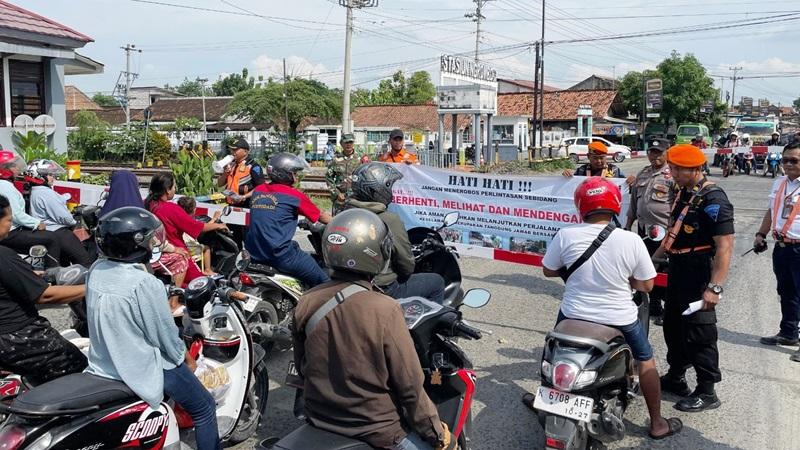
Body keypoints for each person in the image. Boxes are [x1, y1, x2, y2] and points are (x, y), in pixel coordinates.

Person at [293, 208, 455, 450]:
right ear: (377, 253)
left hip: (319, 419)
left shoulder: (307, 300)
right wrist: (436, 433)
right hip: (378, 431)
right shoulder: (385, 309)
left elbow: (302, 365)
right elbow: (410, 385)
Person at [536, 177, 682, 440]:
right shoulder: (631, 240)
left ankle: (550, 394)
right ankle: (657, 423)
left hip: (572, 314)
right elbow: (647, 286)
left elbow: (548, 269)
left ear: (581, 205)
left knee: (553, 352)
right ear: (614, 204)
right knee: (646, 361)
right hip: (619, 318)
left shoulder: (565, 235)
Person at [86, 207, 220, 450]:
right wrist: (186, 358)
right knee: (204, 408)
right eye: (150, 240)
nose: (154, 244)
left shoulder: (96, 270)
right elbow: (164, 335)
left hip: (102, 362)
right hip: (140, 367)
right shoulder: (145, 283)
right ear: (135, 244)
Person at [652, 144, 734, 412]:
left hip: (699, 270)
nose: (672, 172)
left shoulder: (714, 199)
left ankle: (707, 390)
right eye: (672, 167)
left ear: (695, 169)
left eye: (677, 169)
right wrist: (651, 262)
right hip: (677, 266)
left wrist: (714, 288)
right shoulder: (683, 191)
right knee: (673, 326)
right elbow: (672, 233)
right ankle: (676, 377)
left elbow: (724, 247)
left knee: (700, 331)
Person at [0, 194, 87, 385]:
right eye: (9, 220)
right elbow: (45, 296)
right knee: (78, 366)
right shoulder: (4, 255)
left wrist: (32, 275)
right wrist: (91, 288)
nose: (10, 225)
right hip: (17, 336)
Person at [344, 162, 446, 304]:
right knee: (437, 282)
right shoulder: (388, 219)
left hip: (347, 284)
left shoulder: (344, 213)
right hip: (382, 288)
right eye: (389, 186)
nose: (391, 190)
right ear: (377, 189)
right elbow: (406, 266)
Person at [245, 152, 332, 287]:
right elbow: (321, 217)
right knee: (324, 282)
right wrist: (340, 222)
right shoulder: (293, 195)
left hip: (253, 252)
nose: (296, 177)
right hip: (280, 254)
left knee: (295, 246)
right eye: (294, 173)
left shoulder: (258, 191)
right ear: (284, 174)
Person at [754, 142, 800, 360]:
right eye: (785, 160)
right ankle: (789, 333)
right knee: (786, 292)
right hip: (782, 247)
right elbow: (771, 211)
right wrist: (760, 235)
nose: (789, 164)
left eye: (794, 160)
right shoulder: (779, 183)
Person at [145, 173, 228, 289]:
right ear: (167, 190)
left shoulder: (148, 204)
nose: (175, 189)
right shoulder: (170, 208)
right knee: (202, 285)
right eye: (174, 187)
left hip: (155, 254)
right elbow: (196, 226)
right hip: (174, 250)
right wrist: (217, 225)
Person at [625, 139, 675, 326]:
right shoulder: (643, 173)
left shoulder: (673, 175)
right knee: (646, 267)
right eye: (652, 152)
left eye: (659, 152)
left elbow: (679, 205)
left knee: (665, 269)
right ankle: (653, 304)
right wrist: (628, 224)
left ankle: (668, 308)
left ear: (667, 153)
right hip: (644, 231)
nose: (654, 156)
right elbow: (633, 203)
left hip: (666, 232)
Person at [26, 159, 93, 268]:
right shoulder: (46, 193)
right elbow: (65, 217)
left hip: (47, 232)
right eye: (50, 175)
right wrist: (73, 221)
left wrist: (64, 197)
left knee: (63, 264)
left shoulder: (36, 191)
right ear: (40, 177)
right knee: (84, 261)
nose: (53, 177)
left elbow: (51, 203)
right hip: (59, 232)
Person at [0, 151, 62, 267]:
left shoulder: (3, 185)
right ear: (5, 169)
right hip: (11, 232)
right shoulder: (5, 186)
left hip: (9, 229)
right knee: (52, 238)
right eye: (13, 165)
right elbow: (15, 214)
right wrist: (37, 223)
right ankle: (52, 274)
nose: (17, 167)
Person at [216, 138, 265, 245]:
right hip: (231, 207)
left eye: (236, 150)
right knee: (232, 239)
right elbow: (219, 184)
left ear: (245, 152)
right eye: (232, 150)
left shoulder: (253, 166)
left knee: (248, 239)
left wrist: (244, 196)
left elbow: (261, 187)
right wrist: (225, 173)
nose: (233, 153)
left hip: (246, 207)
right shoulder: (231, 165)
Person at [177, 196, 217, 276]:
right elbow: (204, 227)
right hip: (191, 249)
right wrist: (215, 218)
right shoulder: (190, 221)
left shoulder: (179, 218)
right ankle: (207, 270)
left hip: (182, 246)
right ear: (194, 209)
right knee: (206, 248)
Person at [562, 141, 630, 183]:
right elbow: (570, 186)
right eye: (595, 158)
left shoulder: (614, 170)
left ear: (606, 157)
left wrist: (631, 182)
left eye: (601, 158)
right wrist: (567, 175)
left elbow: (626, 187)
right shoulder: (581, 171)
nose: (599, 161)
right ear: (588, 156)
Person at [326, 133, 361, 214]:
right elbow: (328, 178)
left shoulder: (360, 159)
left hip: (357, 199)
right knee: (338, 223)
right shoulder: (335, 160)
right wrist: (336, 193)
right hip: (340, 199)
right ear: (341, 144)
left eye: (350, 142)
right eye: (346, 142)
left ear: (353, 143)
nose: (348, 145)